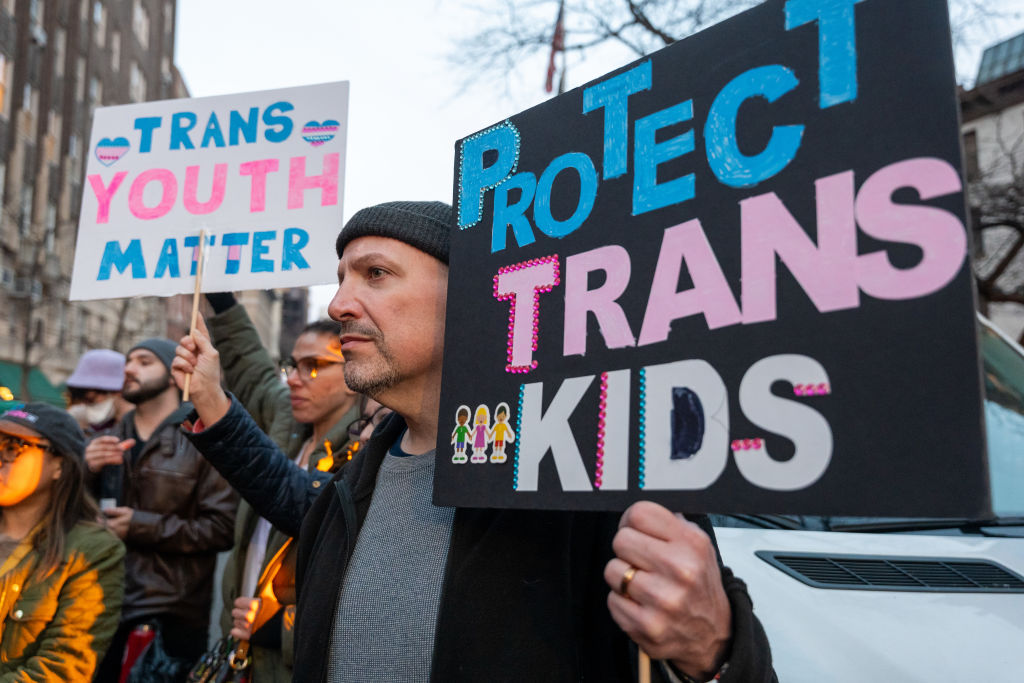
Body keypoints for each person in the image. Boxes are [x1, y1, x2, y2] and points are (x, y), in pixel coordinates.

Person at [174, 201, 775, 682]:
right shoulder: (360, 478)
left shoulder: (584, 480)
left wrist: (715, 654)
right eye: (340, 280)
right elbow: (297, 500)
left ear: (468, 301)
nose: (338, 305)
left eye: (375, 274)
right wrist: (211, 401)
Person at [203, 293, 362, 683]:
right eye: (293, 365)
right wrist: (223, 303)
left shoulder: (365, 455)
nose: (293, 377)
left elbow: (357, 604)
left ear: (354, 374)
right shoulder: (287, 423)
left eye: (314, 367)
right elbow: (251, 368)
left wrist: (283, 629)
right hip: (240, 655)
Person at [87, 338, 236, 682]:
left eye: (143, 361)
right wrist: (84, 469)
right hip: (102, 601)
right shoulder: (108, 437)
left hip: (172, 615)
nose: (128, 369)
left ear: (173, 375)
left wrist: (139, 525)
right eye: (128, 361)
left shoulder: (201, 437)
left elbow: (221, 528)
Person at [0, 402, 125, 681]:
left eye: (13, 447)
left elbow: (62, 668)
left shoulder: (93, 551)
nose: (0, 457)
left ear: (60, 465)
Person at [65, 349, 131, 437]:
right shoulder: (89, 426)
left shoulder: (134, 428)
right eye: (83, 399)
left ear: (117, 392)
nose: (85, 405)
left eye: (91, 400)